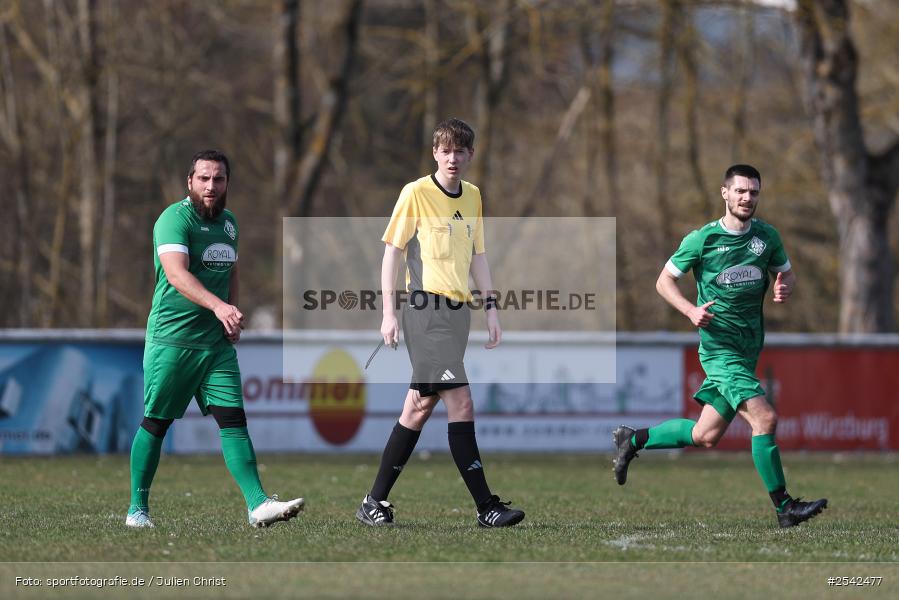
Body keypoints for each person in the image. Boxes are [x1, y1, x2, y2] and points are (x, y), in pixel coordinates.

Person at [612, 164, 828, 528]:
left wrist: (784, 284)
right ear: (725, 193)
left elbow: (786, 271)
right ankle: (784, 506)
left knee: (705, 435)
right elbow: (663, 281)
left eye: (753, 192)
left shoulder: (767, 238)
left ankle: (634, 439)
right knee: (766, 418)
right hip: (719, 352)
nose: (747, 198)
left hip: (747, 351)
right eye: (740, 191)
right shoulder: (702, 240)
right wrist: (689, 310)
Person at [356, 118, 524, 528]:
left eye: (460, 151)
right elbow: (392, 254)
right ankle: (486, 506)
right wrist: (389, 313)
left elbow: (478, 257)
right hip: (423, 311)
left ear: (470, 155)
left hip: (457, 314)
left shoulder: (474, 196)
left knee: (418, 406)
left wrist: (491, 309)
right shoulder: (415, 193)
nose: (453, 158)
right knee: (461, 401)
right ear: (435, 153)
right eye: (446, 150)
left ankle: (373, 501)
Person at [126, 150, 304, 528]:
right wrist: (219, 307)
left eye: (218, 179)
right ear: (189, 181)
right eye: (203, 178)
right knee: (157, 422)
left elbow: (232, 271)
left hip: (215, 346)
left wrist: (231, 314)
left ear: (227, 183)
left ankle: (258, 504)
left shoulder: (229, 223)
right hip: (173, 341)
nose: (211, 186)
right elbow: (176, 274)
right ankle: (136, 510)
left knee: (233, 420)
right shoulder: (174, 219)